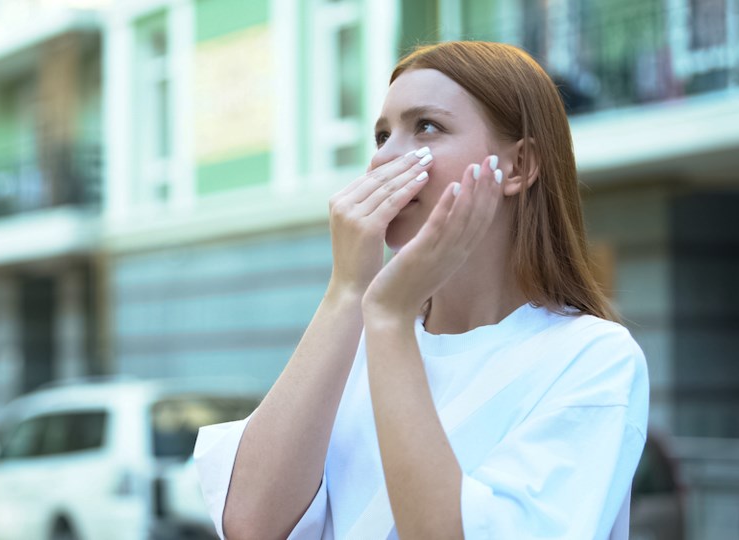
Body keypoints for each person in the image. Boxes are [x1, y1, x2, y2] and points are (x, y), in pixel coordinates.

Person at [194, 41, 649, 539]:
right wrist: (349, 290)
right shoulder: (356, 340)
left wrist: (389, 318)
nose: (384, 159)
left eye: (426, 127)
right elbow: (251, 524)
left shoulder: (591, 357)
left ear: (518, 167)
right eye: (382, 135)